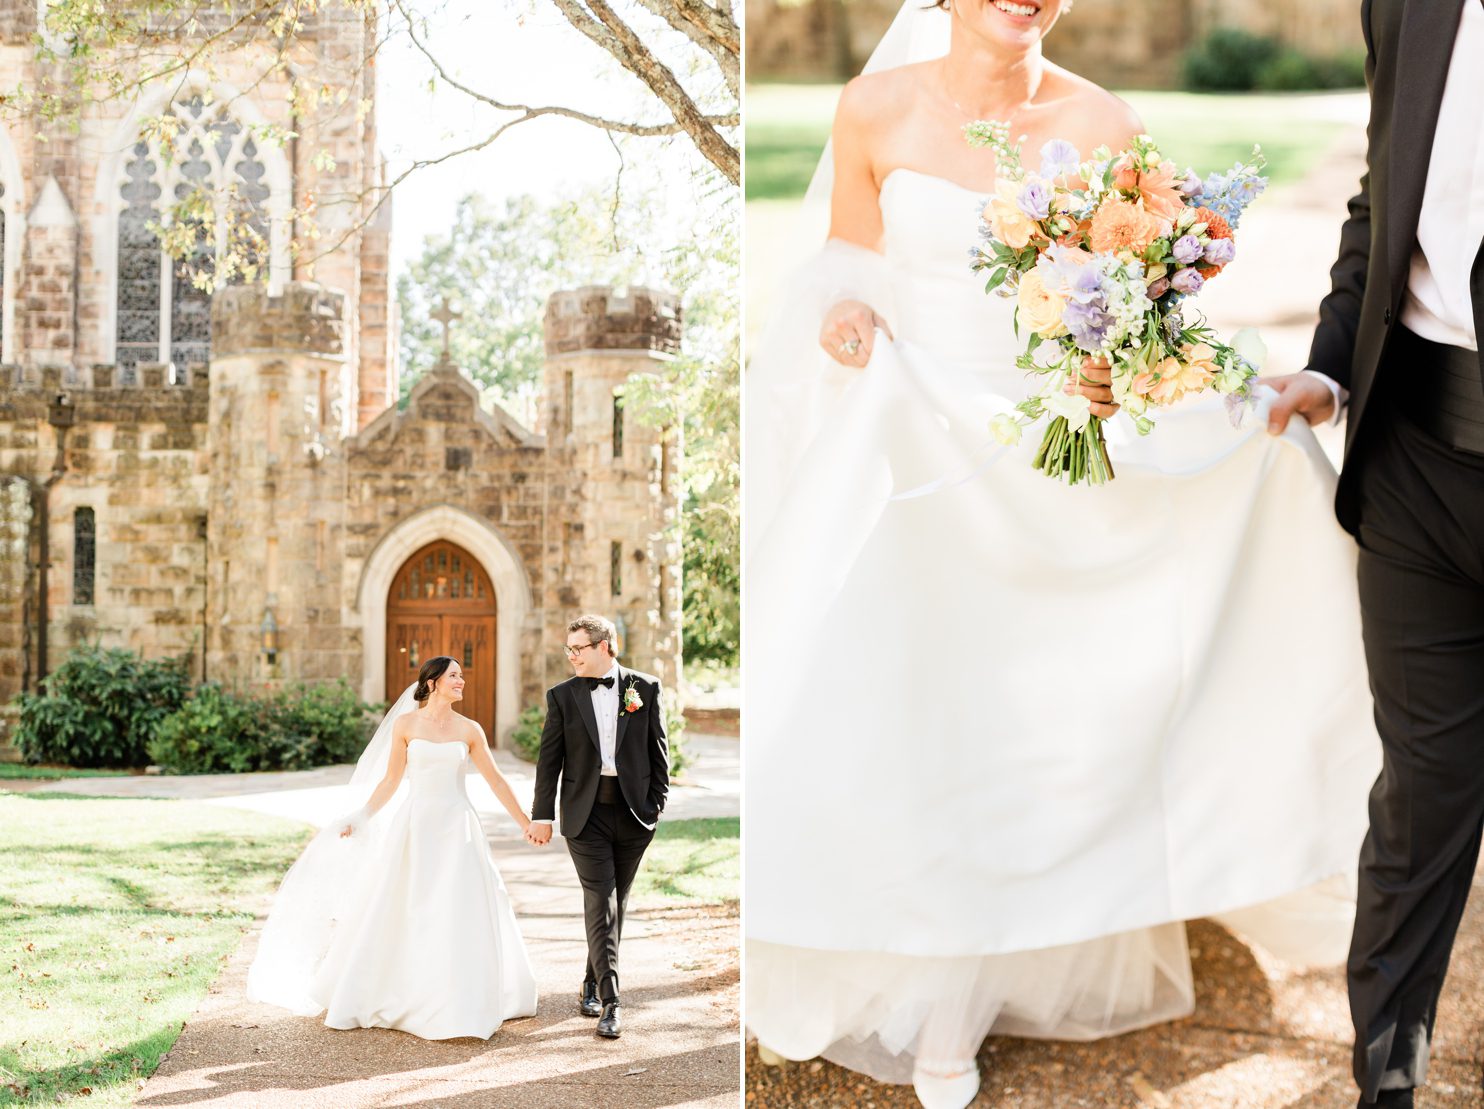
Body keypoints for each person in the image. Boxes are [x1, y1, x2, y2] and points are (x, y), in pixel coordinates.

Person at [743, 1, 1381, 1106]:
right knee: (942, 717)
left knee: (1044, 718)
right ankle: (939, 997)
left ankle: (1005, 955)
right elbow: (842, 270)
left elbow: (1139, 312)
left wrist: (1192, 389)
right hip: (926, 451)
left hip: (1056, 449)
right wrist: (845, 318)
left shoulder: (1098, 119)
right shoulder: (872, 108)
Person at [1263, 1, 1484, 1105]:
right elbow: (1382, 192)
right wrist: (1330, 362)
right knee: (1417, 803)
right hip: (1407, 456)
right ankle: (1382, 1090)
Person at [246, 656, 537, 1040]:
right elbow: (390, 781)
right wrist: (361, 815)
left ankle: (460, 997)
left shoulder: (470, 730)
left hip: (457, 830)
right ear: (432, 683)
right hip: (415, 827)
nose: (461, 681)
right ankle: (398, 992)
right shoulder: (405, 725)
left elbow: (497, 781)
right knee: (405, 904)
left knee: (457, 906)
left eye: (462, 676)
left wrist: (526, 822)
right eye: (454, 676)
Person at [526, 614, 669, 1040]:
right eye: (568, 650)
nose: (571, 657)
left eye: (578, 649)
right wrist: (542, 815)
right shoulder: (562, 697)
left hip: (635, 814)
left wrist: (656, 806)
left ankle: (591, 980)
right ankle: (611, 1001)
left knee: (616, 902)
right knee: (600, 897)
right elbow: (548, 761)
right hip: (584, 815)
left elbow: (659, 753)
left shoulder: (644, 689)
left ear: (604, 645)